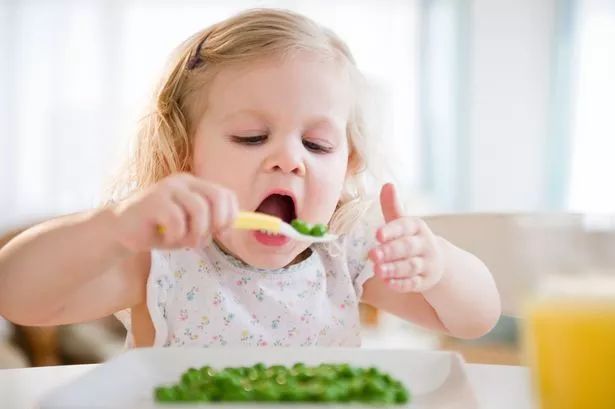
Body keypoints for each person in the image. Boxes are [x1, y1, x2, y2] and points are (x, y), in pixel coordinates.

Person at [0, 9, 500, 348]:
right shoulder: (164, 261)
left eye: (317, 145)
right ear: (183, 155)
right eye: (251, 137)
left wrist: (440, 267)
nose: (289, 160)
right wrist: (113, 227)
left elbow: (475, 320)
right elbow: (16, 295)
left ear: (348, 166)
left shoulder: (344, 258)